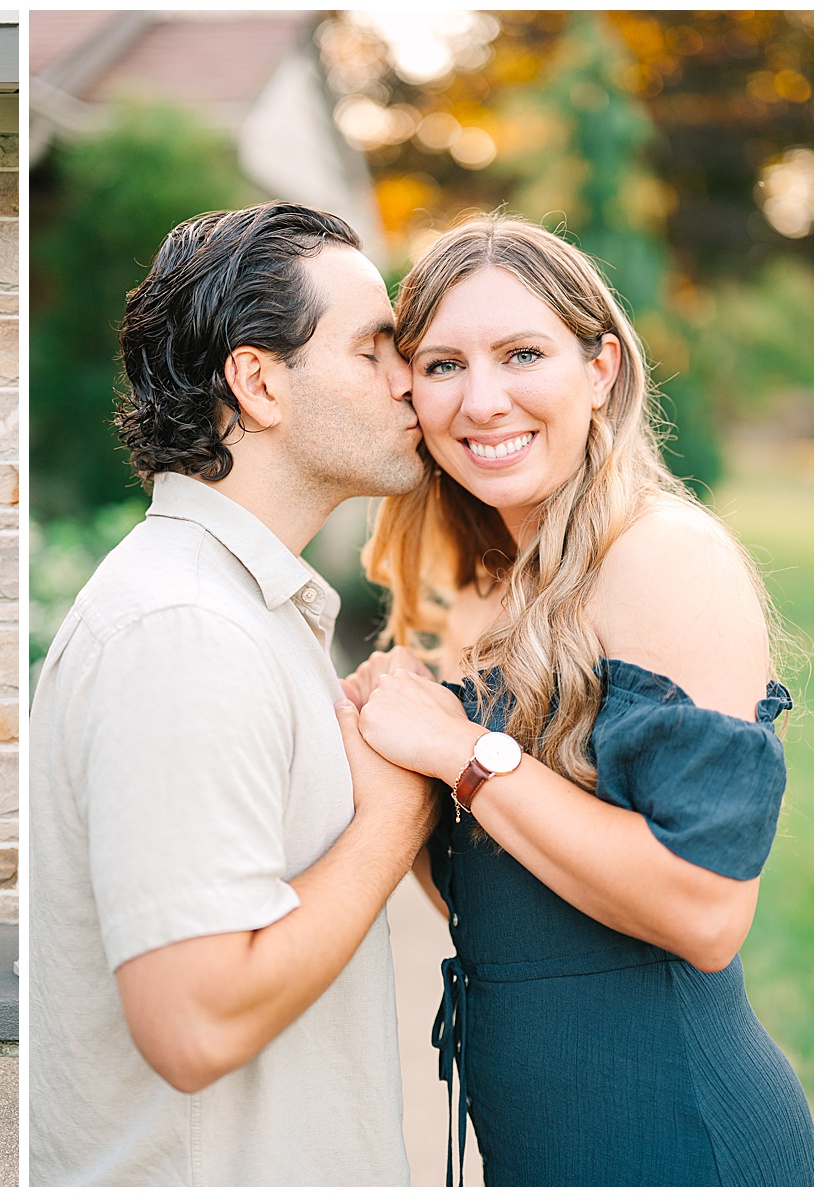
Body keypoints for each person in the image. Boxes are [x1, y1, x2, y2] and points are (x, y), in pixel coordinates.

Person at [347, 212, 814, 1186]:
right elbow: (497, 890)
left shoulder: (661, 557)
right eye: (441, 365)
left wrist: (461, 754)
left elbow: (704, 909)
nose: (482, 400)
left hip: (676, 1139)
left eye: (521, 353)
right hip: (543, 1145)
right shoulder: (476, 588)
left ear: (599, 368)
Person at [30, 201, 441, 1186]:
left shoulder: (230, 607)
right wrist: (396, 817)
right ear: (257, 382)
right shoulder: (185, 631)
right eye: (373, 349)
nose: (410, 384)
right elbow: (193, 1020)